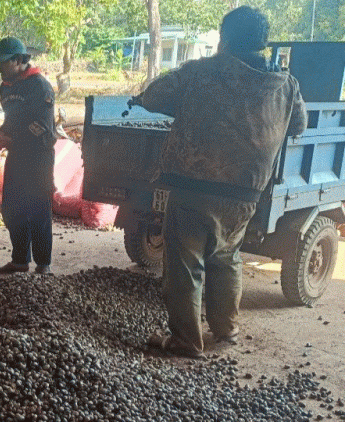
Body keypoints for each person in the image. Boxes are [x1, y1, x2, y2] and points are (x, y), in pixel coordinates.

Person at [132, 6, 307, 358]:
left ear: (225, 38)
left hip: (195, 186)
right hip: (246, 194)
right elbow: (298, 125)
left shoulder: (201, 72)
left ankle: (185, 340)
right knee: (227, 257)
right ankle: (226, 331)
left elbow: (153, 97)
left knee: (185, 265)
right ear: (262, 42)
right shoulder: (285, 83)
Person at [0, 37, 57, 275]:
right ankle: (19, 260)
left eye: (3, 62)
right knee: (11, 208)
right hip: (17, 155)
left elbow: (42, 128)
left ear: (19, 60)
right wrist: (1, 134)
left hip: (39, 157)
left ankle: (43, 264)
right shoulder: (6, 86)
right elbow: (11, 118)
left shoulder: (41, 87)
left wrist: (12, 140)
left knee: (38, 209)